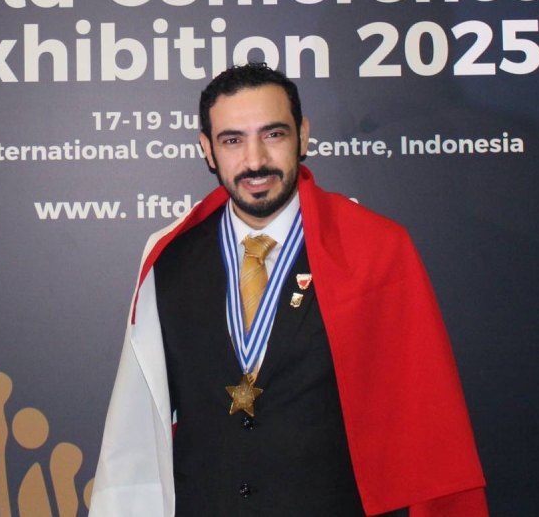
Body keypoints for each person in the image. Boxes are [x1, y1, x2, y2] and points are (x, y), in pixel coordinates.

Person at [89, 64, 487, 517]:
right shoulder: (167, 258)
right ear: (208, 150)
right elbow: (140, 425)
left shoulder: (377, 249)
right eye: (232, 140)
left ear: (303, 136)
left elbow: (427, 423)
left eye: (273, 135)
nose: (255, 160)